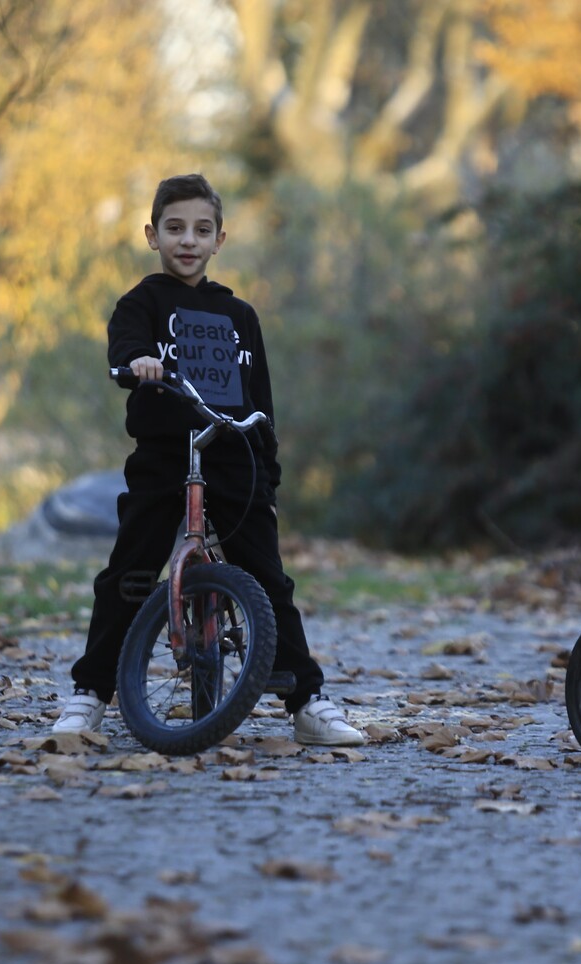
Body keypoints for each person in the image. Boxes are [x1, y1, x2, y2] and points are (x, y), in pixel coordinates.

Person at [53, 173, 364, 747]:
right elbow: (123, 351)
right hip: (164, 455)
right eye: (175, 229)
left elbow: (259, 401)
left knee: (270, 581)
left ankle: (308, 703)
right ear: (153, 235)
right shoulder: (142, 302)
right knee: (129, 575)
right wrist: (140, 362)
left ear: (221, 239)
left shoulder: (239, 315)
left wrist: (265, 469)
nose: (187, 241)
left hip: (231, 459)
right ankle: (90, 694)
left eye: (201, 230)